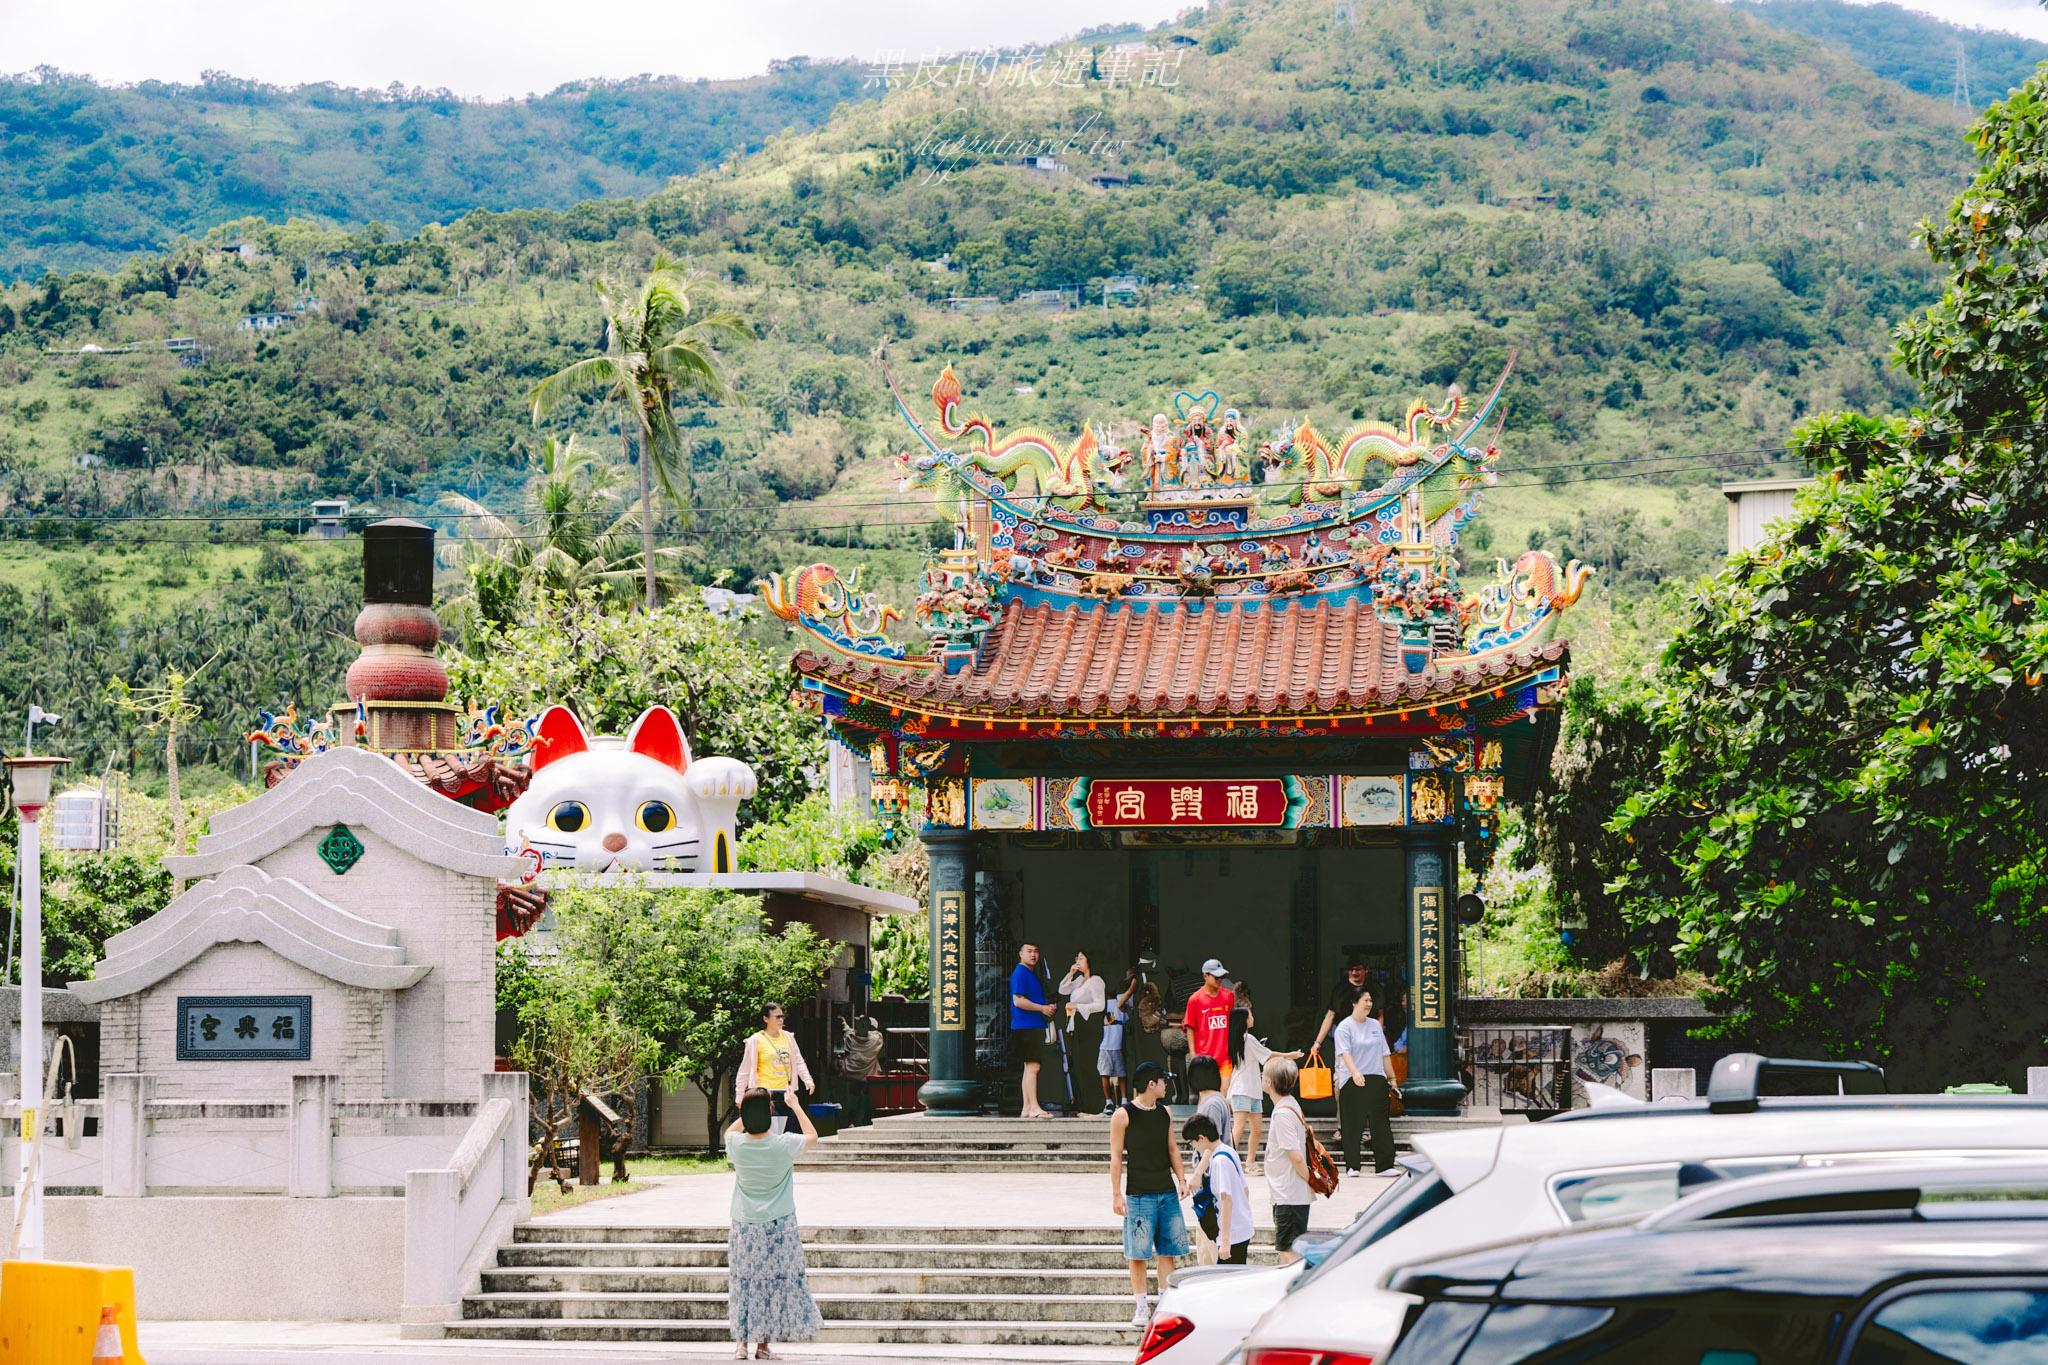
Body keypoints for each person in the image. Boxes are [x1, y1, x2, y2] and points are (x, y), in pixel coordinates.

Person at [724, 1087, 823, 1359]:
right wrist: (795, 1105)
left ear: (745, 1113)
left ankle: (741, 1344)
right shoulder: (783, 1144)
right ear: (770, 1112)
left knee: (744, 1282)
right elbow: (813, 1135)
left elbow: (730, 1132)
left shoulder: (736, 1145)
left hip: (745, 1224)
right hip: (779, 1225)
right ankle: (764, 1346)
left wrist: (746, 1111)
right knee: (771, 1283)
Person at [1109, 1061, 1190, 1327]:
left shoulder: (1164, 1112)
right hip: (1139, 1194)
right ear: (1151, 1084)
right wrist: (1116, 1195)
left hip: (1165, 1191)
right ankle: (1141, 1306)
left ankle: (1165, 1304)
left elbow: (1172, 1149)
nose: (1166, 1085)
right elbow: (1116, 1157)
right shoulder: (1123, 1115)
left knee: (1168, 1251)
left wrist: (1181, 1178)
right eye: (1162, 1081)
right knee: (1138, 1253)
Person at [1332, 988, 1401, 1174]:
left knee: (1381, 1123)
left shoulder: (1375, 1025)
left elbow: (1385, 1053)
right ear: (1354, 1003)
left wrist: (1392, 1078)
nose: (1369, 1004)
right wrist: (1355, 1073)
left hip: (1376, 1078)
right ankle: (1352, 1166)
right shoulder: (1344, 1027)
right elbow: (1344, 1053)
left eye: (1371, 1000)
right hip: (1353, 1080)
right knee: (1352, 1124)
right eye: (1365, 1000)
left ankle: (1385, 1166)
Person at [1227, 1005, 1301, 1174]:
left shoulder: (1241, 1039)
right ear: (1244, 1020)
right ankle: (1229, 1161)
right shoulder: (1248, 1039)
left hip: (1251, 1089)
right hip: (1243, 1089)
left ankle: (1249, 1163)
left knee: (1254, 1129)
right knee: (1240, 1128)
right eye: (1250, 1015)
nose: (1253, 1018)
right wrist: (1291, 1055)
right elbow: (1269, 1055)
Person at [1263, 1056, 1315, 1263]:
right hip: (1289, 1193)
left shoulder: (1282, 1114)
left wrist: (1310, 1179)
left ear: (1269, 1083)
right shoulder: (1290, 1105)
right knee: (1289, 1248)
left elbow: (1296, 1156)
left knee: (1288, 1250)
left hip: (1289, 1193)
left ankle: (1298, 1290)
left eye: (1263, 1075)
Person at [1184, 1114, 1253, 1264]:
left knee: (1227, 1281)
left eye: (1192, 1143)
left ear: (1201, 1138)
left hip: (1233, 1234)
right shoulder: (1229, 1151)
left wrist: (1225, 1241)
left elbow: (1226, 1200)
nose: (1194, 1148)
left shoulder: (1219, 1161)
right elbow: (1245, 1190)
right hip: (1241, 1228)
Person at [1185, 1055, 1234, 1265]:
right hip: (1210, 1178)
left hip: (1209, 1179)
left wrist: (1197, 1174)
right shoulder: (1214, 1101)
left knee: (1208, 1242)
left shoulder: (1212, 1104)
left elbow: (1210, 1144)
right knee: (1205, 1240)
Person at [735, 1003, 814, 1128]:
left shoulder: (788, 1037)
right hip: (764, 1094)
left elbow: (798, 1061)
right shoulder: (755, 1040)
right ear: (766, 1019)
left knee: (786, 1131)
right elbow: (744, 1070)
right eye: (777, 1017)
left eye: (782, 1016)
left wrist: (808, 1080)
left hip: (786, 1093)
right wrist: (739, 1096)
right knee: (766, 1130)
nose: (781, 1020)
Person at [1010, 942, 1058, 1118]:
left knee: (1029, 1067)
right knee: (1033, 1067)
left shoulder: (1028, 973)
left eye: (1036, 951)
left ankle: (1027, 1107)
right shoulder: (1021, 973)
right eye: (1029, 951)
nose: (1033, 954)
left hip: (1030, 1024)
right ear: (1020, 953)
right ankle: (1035, 1107)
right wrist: (1042, 1009)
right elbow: (1018, 1000)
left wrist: (1045, 1008)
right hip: (1027, 1025)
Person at [1060, 951, 1107, 1115]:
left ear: (1090, 960)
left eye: (1081, 958)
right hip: (1077, 1024)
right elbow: (1062, 989)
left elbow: (1100, 1005)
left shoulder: (1096, 981)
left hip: (1090, 1024)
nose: (1078, 961)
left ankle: (1094, 1106)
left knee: (1088, 1064)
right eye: (1076, 958)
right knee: (1079, 1065)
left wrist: (1077, 1007)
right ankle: (1084, 1104)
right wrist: (1071, 973)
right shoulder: (1080, 980)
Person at [1180, 958, 1237, 1087]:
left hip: (1225, 1058)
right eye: (1216, 976)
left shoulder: (1229, 996)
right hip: (1204, 1059)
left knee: (1224, 1097)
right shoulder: (1195, 999)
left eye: (1222, 976)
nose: (1220, 979)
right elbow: (1190, 1027)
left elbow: (1235, 1022)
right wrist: (1193, 1054)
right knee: (1206, 1097)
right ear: (1205, 976)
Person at [1309, 958, 1370, 1061]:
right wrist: (1318, 1042)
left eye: (1358, 969)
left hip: (1367, 1041)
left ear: (1366, 970)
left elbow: (1380, 1015)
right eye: (1351, 969)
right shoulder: (1339, 991)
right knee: (1343, 1073)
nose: (1354, 972)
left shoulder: (1373, 989)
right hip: (1345, 1041)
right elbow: (1330, 1015)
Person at [1098, 969, 1136, 1112]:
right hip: (1106, 1045)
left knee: (1119, 1073)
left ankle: (1123, 1100)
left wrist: (1132, 980)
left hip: (1116, 1045)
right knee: (1107, 1073)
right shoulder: (1100, 1005)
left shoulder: (1120, 1001)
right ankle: (1109, 1102)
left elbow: (1128, 993)